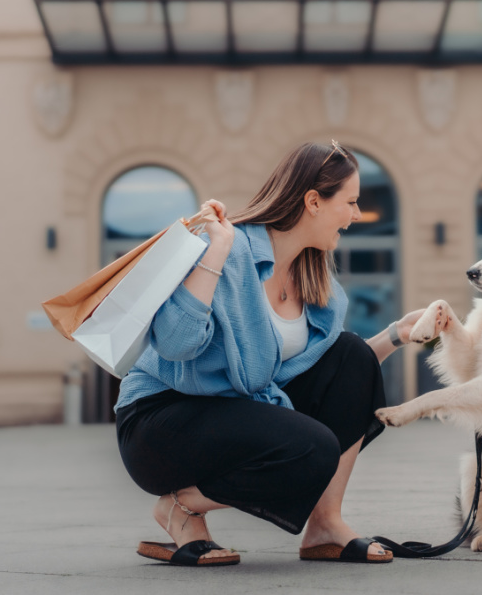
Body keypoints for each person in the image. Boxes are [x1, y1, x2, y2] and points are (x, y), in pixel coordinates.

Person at [115, 141, 441, 566]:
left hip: (232, 414)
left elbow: (335, 373)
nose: (357, 215)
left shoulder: (316, 281)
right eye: (351, 202)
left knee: (352, 355)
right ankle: (180, 507)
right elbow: (176, 344)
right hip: (159, 422)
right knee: (312, 448)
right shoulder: (226, 249)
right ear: (313, 202)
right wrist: (215, 252)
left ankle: (324, 525)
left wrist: (397, 334)